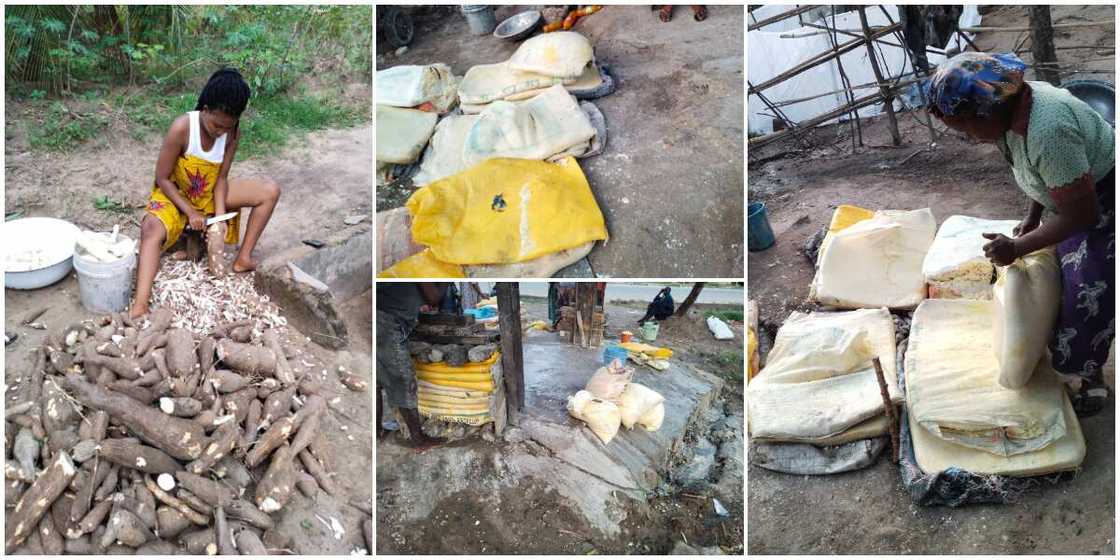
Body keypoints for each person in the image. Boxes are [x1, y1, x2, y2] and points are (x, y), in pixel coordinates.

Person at [925, 52, 1115, 415]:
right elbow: (1035, 176)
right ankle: (1061, 353)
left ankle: (1090, 378)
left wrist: (1018, 246)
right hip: (1077, 197)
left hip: (1107, 198)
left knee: (1088, 299)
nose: (969, 138)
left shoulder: (1049, 130)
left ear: (987, 113)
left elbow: (1082, 212)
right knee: (1058, 277)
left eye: (965, 129)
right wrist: (1033, 218)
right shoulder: (1011, 108)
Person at [129, 68, 282, 318]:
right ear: (206, 107)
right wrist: (189, 211)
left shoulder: (232, 132)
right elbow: (162, 178)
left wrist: (220, 219)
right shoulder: (182, 127)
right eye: (216, 124)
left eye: (227, 127)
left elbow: (221, 178)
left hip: (209, 192)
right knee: (150, 230)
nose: (220, 131)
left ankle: (243, 258)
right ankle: (140, 304)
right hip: (176, 193)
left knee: (269, 191)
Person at [377, 282, 447, 450]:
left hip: (380, 317)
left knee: (378, 378)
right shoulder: (422, 274)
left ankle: (377, 432)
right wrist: (445, 283)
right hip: (387, 324)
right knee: (404, 380)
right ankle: (418, 440)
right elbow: (434, 298)